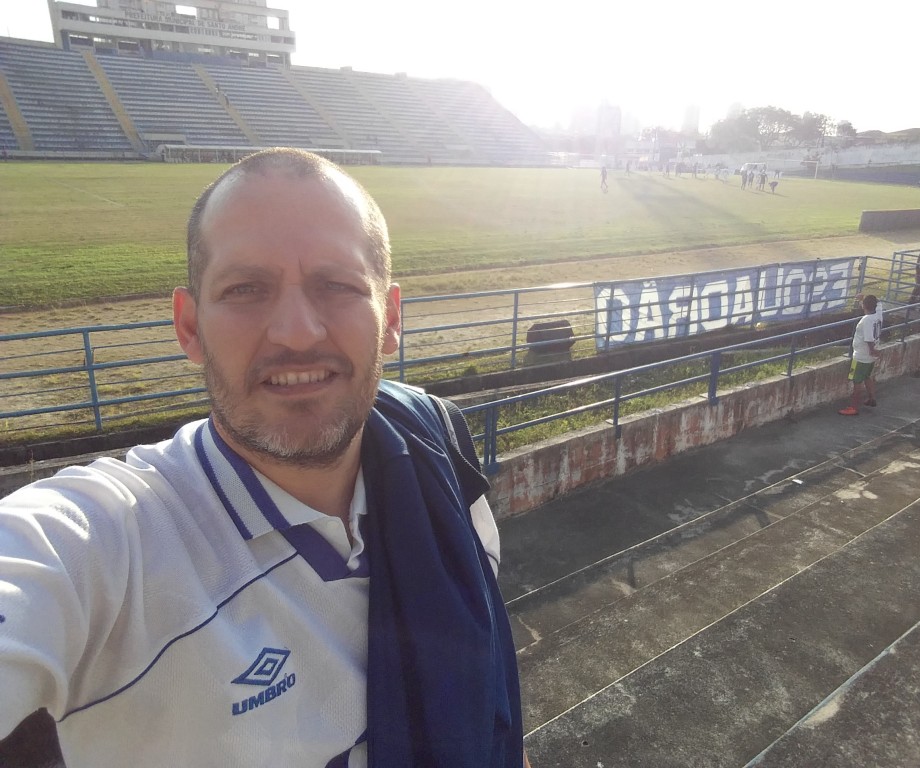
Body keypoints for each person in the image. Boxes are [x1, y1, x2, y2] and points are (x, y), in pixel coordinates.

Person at [0, 148, 529, 768]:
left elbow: (488, 691)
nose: (297, 332)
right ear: (190, 327)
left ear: (389, 319)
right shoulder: (105, 545)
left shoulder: (439, 448)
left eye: (336, 285)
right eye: (247, 289)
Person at [839, 294, 883, 416]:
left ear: (864, 306)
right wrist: (863, 298)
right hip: (870, 357)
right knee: (867, 376)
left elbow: (869, 339)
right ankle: (871, 398)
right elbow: (878, 302)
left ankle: (853, 407)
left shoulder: (866, 320)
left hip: (861, 355)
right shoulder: (878, 315)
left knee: (856, 381)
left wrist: (872, 350)